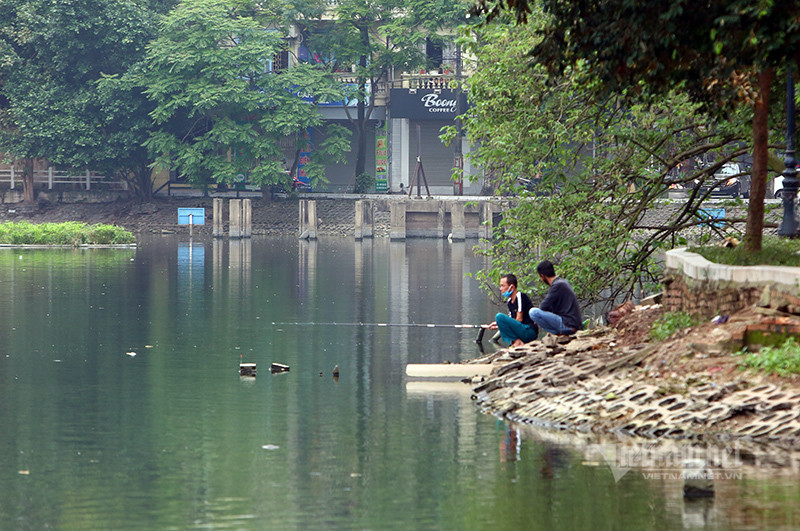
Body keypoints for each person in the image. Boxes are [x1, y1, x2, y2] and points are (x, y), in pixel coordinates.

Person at [529, 260, 583, 336]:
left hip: (568, 324)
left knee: (533, 312)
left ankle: (557, 333)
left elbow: (543, 306)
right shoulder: (562, 282)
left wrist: (538, 319)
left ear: (542, 276)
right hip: (572, 323)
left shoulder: (557, 285)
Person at [487, 274, 538, 347]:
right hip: (520, 330)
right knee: (499, 319)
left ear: (512, 287)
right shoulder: (509, 301)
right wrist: (499, 324)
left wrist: (503, 322)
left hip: (529, 330)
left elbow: (519, 319)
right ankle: (516, 342)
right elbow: (512, 319)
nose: (500, 289)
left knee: (499, 316)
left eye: (503, 286)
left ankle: (517, 342)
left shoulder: (520, 296)